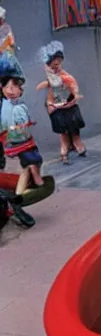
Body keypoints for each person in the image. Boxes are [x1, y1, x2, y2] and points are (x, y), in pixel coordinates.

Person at [0, 75, 45, 228]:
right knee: (26, 166)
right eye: (7, 87)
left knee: (28, 164)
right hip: (12, 144)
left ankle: (15, 202)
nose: (10, 91)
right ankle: (15, 202)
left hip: (15, 143)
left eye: (14, 87)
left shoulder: (14, 105)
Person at [36, 41, 86, 164]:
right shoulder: (50, 78)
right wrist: (50, 104)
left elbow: (73, 86)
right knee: (61, 126)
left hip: (68, 103)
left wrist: (74, 94)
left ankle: (76, 140)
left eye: (57, 65)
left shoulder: (66, 76)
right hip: (56, 105)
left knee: (74, 123)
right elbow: (46, 91)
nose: (55, 68)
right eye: (52, 66)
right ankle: (65, 144)